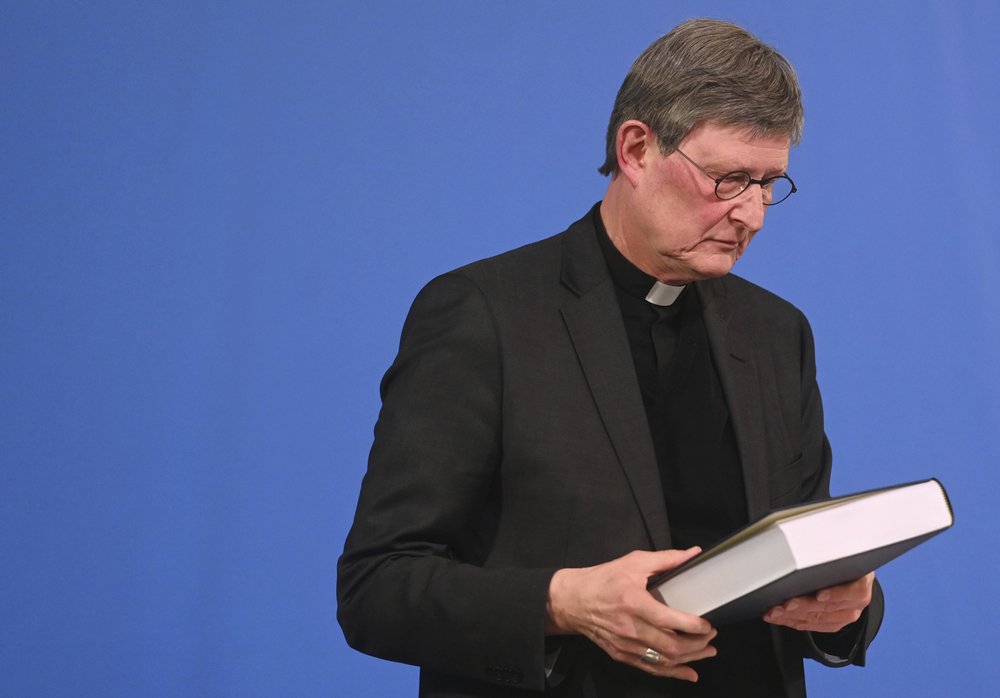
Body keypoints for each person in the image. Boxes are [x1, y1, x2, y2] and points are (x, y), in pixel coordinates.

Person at [338, 17, 883, 698]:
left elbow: (808, 549)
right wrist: (564, 603)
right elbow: (377, 587)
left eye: (770, 182)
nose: (754, 215)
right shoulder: (484, 315)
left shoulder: (778, 332)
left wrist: (844, 607)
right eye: (729, 179)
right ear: (636, 149)